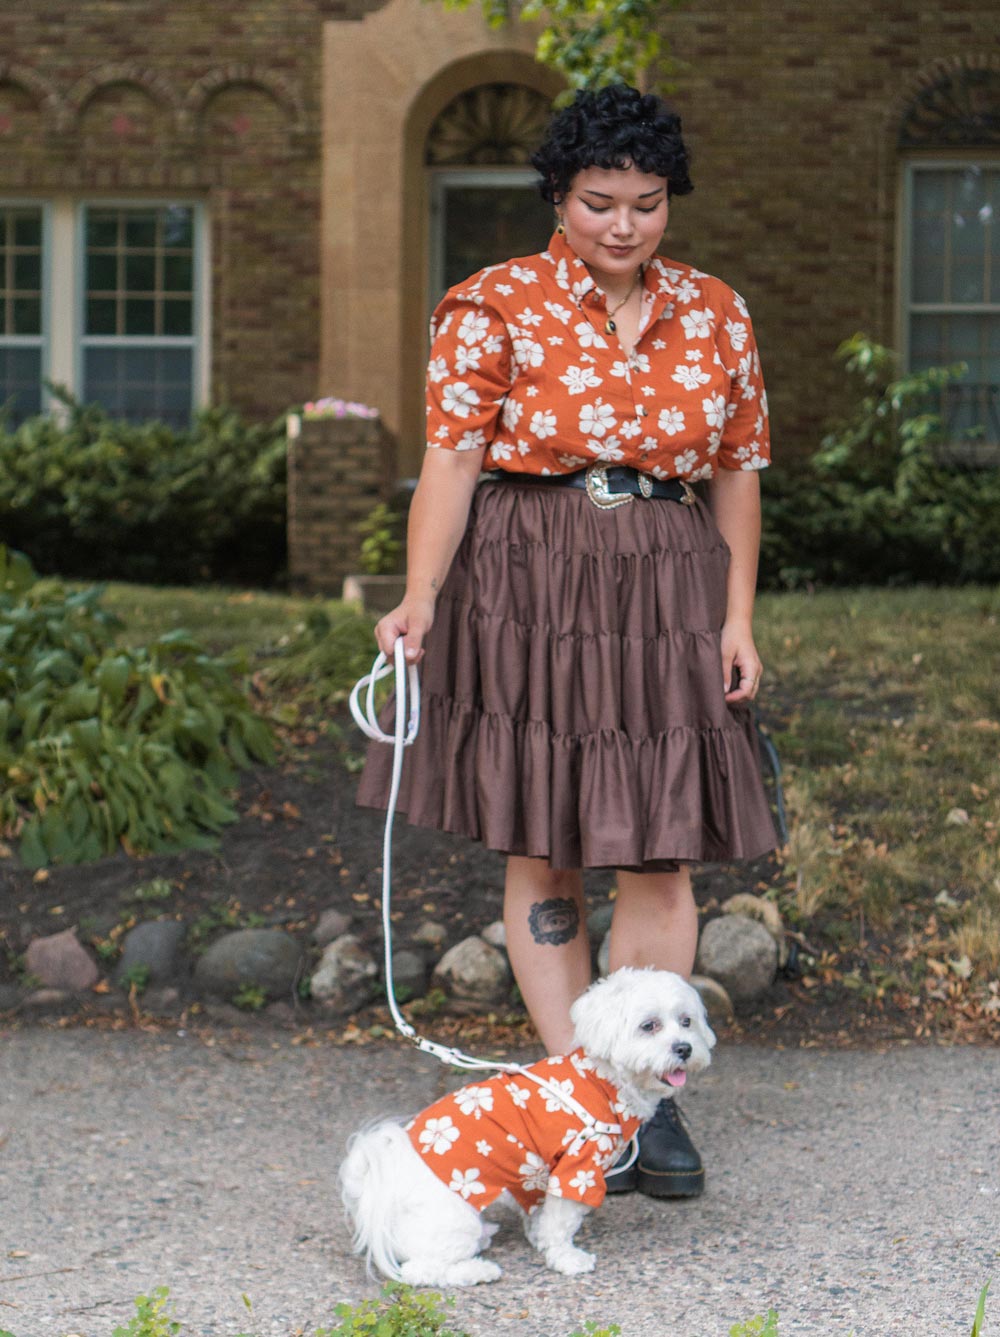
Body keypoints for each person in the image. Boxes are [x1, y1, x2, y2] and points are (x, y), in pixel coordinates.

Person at [357, 83, 777, 1200]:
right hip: (530, 578)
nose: (625, 225)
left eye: (647, 203)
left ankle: (644, 1097)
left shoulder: (717, 311)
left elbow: (735, 471)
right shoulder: (488, 305)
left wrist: (736, 615)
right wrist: (421, 595)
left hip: (663, 581)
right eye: (600, 202)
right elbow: (450, 461)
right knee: (545, 840)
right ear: (558, 194)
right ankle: (576, 1093)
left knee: (660, 839)